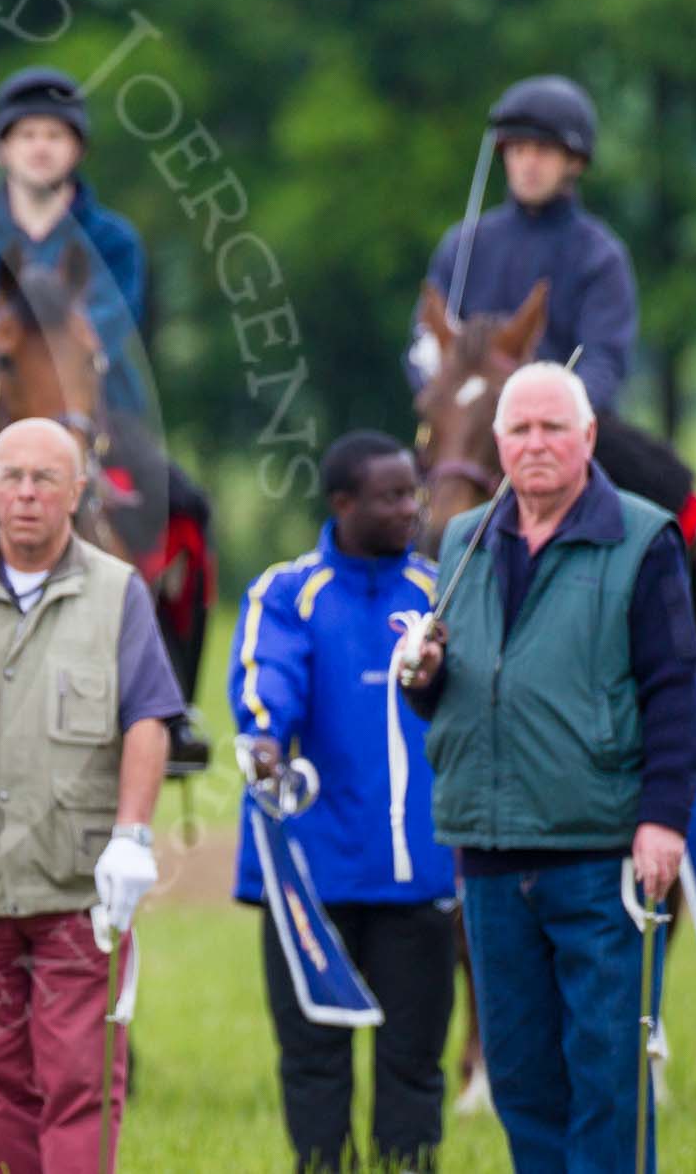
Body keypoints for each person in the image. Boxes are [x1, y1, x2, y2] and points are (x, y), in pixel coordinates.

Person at [402, 362, 696, 1172]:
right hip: (491, 855)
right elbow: (461, 694)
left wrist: (663, 819)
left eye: (552, 428)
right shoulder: (463, 540)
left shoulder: (640, 538)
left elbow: (673, 687)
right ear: (496, 442)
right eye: (520, 430)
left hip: (599, 852)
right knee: (524, 1082)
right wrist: (423, 675)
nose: (535, 444)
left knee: (605, 1080)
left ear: (589, 438)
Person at [0, 417, 184, 1173]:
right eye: (12, 476)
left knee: (80, 1081)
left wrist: (134, 836)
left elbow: (149, 716)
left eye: (45, 478)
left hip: (77, 886)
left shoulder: (119, 595)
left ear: (77, 491)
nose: (26, 493)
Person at [229, 431, 455, 1172]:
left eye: (414, 491)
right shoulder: (287, 591)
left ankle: (407, 1163)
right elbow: (267, 688)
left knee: (414, 1055)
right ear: (342, 502)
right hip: (308, 874)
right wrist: (264, 740)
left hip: (418, 869)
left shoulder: (440, 589)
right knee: (314, 1054)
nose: (410, 508)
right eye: (391, 495)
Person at [0, 67, 150, 418]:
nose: (40, 147)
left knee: (166, 476)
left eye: (55, 135)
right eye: (26, 135)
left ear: (78, 149)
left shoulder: (115, 241)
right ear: (0, 149)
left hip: (99, 420)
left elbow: (106, 330)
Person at [409, 75, 635, 411]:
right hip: (470, 430)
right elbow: (423, 346)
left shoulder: (600, 257)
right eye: (517, 149)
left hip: (560, 430)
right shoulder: (463, 243)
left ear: (574, 161)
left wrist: (542, 416)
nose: (528, 163)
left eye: (543, 150)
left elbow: (604, 362)